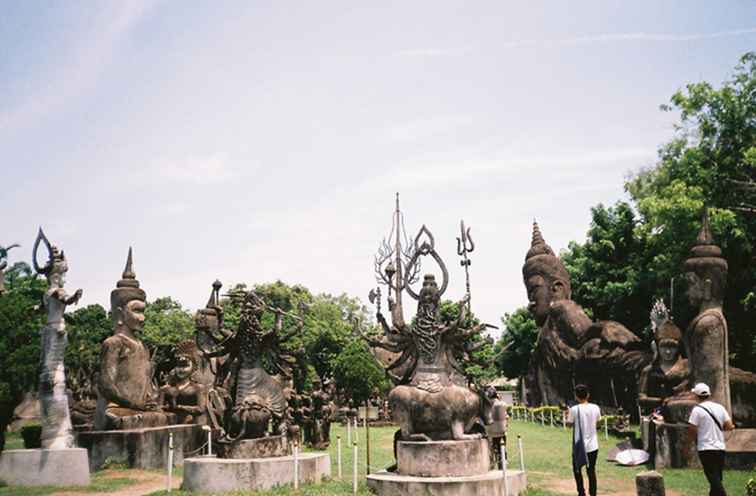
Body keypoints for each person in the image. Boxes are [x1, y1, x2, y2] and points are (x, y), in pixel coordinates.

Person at [687, 382, 735, 496]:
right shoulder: (720, 407)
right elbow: (729, 426)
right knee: (717, 477)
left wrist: (687, 446)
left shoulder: (697, 410)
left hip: (705, 448)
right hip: (720, 448)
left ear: (696, 396)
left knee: (713, 478)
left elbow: (692, 430)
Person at [566, 384, 601, 496]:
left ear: (576, 396)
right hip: (593, 446)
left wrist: (566, 414)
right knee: (591, 471)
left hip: (579, 446)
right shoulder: (596, 407)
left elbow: (569, 425)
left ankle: (581, 493)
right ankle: (593, 493)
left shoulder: (574, 409)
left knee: (577, 470)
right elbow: (598, 424)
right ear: (588, 395)